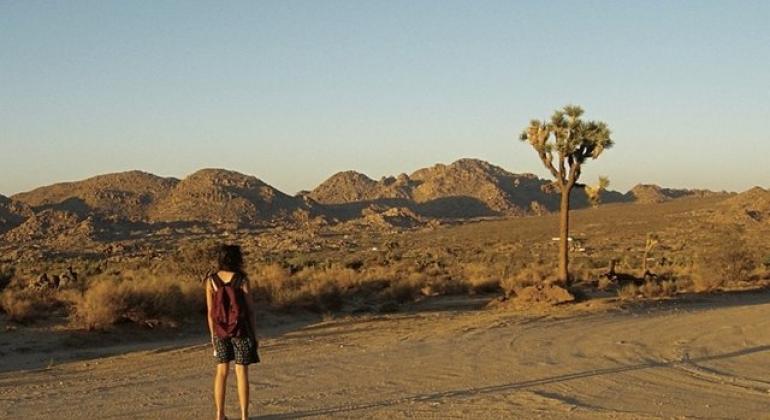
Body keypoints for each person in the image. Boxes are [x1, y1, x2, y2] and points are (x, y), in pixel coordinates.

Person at [206, 244, 259, 420]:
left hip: (220, 331)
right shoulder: (242, 280)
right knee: (241, 372)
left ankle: (219, 414)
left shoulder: (211, 280)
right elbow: (250, 310)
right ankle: (244, 416)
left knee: (221, 372)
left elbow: (210, 312)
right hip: (241, 330)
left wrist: (213, 335)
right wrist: (254, 334)